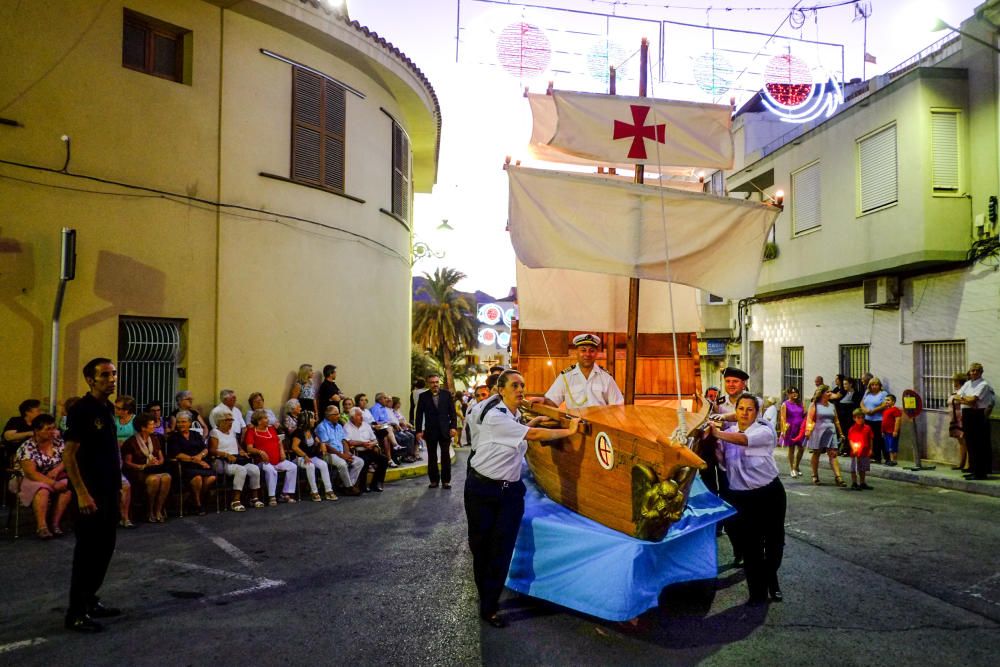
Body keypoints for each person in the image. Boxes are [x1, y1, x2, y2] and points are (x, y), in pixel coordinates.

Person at [465, 369, 580, 628]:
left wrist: (533, 422)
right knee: (481, 546)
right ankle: (485, 595)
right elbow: (533, 436)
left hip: (510, 492)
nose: (521, 390)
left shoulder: (513, 415)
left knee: (502, 549)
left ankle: (489, 605)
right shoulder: (495, 416)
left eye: (523, 386)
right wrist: (569, 430)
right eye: (515, 386)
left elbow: (523, 430)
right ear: (500, 390)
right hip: (482, 490)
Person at [62, 357, 124, 632]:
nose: (112, 379)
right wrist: (82, 493)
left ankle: (90, 599)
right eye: (105, 375)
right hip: (90, 493)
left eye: (113, 374)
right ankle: (75, 613)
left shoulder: (107, 407)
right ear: (90, 379)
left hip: (110, 490)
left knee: (105, 548)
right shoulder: (81, 410)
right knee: (87, 553)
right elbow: (69, 455)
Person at [707, 392, 785, 605]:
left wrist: (717, 432)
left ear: (757, 412)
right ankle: (757, 593)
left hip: (769, 494)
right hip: (742, 498)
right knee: (751, 546)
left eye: (749, 409)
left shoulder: (764, 430)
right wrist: (714, 438)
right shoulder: (728, 432)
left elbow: (743, 440)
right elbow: (721, 461)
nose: (744, 413)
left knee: (774, 542)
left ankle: (771, 577)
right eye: (741, 409)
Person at [12, 414, 72, 538]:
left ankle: (55, 523)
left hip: (54, 475)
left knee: (67, 487)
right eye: (48, 429)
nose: (52, 432)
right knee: (42, 490)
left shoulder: (58, 442)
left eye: (53, 428)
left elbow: (67, 459)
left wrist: (56, 470)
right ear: (36, 431)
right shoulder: (27, 447)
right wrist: (53, 483)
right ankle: (42, 526)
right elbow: (31, 473)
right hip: (27, 478)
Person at [542, 333, 624, 408]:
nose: (587, 354)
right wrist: (543, 401)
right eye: (583, 350)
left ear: (596, 353)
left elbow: (617, 405)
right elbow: (552, 401)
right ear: (576, 352)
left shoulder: (606, 377)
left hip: (599, 422)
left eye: (591, 351)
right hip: (574, 422)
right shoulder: (566, 376)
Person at [208, 407, 263, 511]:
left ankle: (254, 498)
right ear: (219, 421)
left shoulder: (232, 432)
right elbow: (212, 450)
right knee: (241, 470)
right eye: (227, 420)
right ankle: (235, 501)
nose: (230, 422)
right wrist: (225, 454)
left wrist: (241, 451)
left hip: (236, 460)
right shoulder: (215, 433)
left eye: (231, 420)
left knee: (254, 469)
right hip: (222, 461)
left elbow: (237, 446)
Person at [121, 413, 172, 523]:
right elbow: (127, 462)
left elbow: (161, 457)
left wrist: (158, 462)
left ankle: (158, 509)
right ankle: (149, 510)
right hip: (140, 471)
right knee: (154, 480)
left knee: (166, 477)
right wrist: (143, 466)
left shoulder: (154, 439)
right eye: (151, 424)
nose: (154, 426)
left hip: (154, 469)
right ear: (143, 427)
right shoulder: (131, 442)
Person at [166, 411, 217, 515]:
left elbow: (205, 449)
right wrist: (197, 460)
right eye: (179, 422)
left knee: (211, 478)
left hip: (200, 462)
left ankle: (195, 499)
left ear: (190, 423)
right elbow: (178, 454)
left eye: (184, 422)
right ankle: (198, 505)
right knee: (197, 479)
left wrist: (200, 457)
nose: (181, 424)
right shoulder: (174, 437)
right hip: (184, 465)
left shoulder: (196, 434)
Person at [245, 409, 298, 504]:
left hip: (277, 460)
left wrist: (282, 452)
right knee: (271, 470)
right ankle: (272, 496)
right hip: (263, 461)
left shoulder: (271, 429)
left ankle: (285, 493)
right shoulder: (251, 431)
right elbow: (249, 448)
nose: (268, 420)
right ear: (259, 420)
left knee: (293, 467)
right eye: (265, 418)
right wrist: (260, 452)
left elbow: (279, 441)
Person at [415, 374, 458, 489]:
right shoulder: (423, 396)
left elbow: (452, 412)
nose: (435, 384)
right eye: (432, 382)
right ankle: (433, 480)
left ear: (439, 382)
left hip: (445, 430)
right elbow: (419, 414)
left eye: (436, 382)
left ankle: (446, 481)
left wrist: (453, 427)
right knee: (432, 456)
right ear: (428, 384)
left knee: (445, 456)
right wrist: (418, 430)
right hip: (430, 431)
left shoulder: (446, 394)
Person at [955, 362, 995, 480]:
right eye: (972, 370)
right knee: (970, 443)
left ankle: (980, 472)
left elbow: (973, 399)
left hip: (977, 414)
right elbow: (956, 397)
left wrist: (966, 399)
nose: (974, 373)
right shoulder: (967, 383)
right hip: (967, 414)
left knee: (979, 444)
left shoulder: (983, 384)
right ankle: (973, 469)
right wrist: (966, 400)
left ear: (981, 372)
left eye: (976, 371)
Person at [289, 411, 338, 502]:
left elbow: (318, 440)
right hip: (299, 458)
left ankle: (328, 490)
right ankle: (314, 491)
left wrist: (322, 444)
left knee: (323, 464)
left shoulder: (311, 431)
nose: (314, 420)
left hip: (311, 457)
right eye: (312, 418)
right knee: (310, 465)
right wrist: (304, 455)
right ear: (306, 420)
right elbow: (294, 447)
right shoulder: (298, 432)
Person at [316, 405, 364, 496]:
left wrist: (346, 453)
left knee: (359, 461)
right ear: (329, 416)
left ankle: (347, 485)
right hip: (328, 453)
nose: (339, 416)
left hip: (341, 452)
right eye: (336, 414)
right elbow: (326, 445)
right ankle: (349, 487)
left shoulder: (339, 426)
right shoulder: (322, 427)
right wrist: (342, 456)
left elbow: (344, 440)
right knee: (342, 463)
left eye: (338, 414)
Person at [804, 385, 846, 487]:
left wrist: (840, 433)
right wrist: (808, 431)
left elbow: (836, 420)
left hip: (831, 432)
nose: (830, 393)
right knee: (816, 453)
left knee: (833, 454)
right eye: (827, 392)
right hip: (818, 431)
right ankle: (815, 475)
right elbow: (809, 419)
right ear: (822, 393)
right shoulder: (814, 405)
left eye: (830, 392)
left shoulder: (832, 406)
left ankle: (838, 477)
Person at [344, 407, 389, 493]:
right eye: (358, 415)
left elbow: (374, 439)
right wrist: (362, 443)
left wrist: (372, 444)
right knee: (365, 460)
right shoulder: (347, 426)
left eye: (361, 415)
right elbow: (348, 441)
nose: (361, 417)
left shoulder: (366, 425)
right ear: (352, 417)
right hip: (358, 451)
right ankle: (362, 486)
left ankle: (376, 483)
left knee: (384, 460)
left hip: (370, 449)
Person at [113, 395, 136, 529]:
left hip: (129, 455)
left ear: (126, 410)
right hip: (115, 454)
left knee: (126, 485)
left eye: (119, 408)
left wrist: (125, 444)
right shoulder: (112, 420)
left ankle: (125, 516)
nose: (116, 410)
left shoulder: (135, 421)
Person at [861, 377, 890, 464]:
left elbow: (884, 404)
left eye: (876, 385)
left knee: (879, 439)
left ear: (879, 386)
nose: (874, 386)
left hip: (878, 420)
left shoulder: (883, 393)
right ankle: (873, 456)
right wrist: (865, 410)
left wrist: (873, 411)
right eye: (872, 385)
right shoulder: (867, 393)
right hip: (868, 419)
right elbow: (862, 402)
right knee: (870, 439)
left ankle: (884, 457)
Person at [3, 398, 42, 463]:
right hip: (17, 456)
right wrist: (30, 433)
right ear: (27, 412)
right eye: (38, 411)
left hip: (37, 455)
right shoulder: (16, 421)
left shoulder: (39, 423)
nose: (40, 413)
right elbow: (8, 436)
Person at [779, 387, 806, 478]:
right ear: (788, 394)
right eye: (792, 393)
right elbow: (782, 418)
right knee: (792, 449)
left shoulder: (800, 403)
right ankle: (792, 469)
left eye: (796, 393)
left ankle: (797, 466)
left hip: (800, 428)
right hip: (791, 428)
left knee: (802, 448)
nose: (795, 394)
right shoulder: (785, 404)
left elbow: (804, 415)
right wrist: (783, 430)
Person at [846, 408, 874, 490]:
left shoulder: (867, 428)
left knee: (863, 468)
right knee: (854, 468)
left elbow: (871, 439)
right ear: (854, 418)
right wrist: (853, 448)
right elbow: (850, 439)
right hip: (855, 452)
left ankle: (862, 482)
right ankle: (854, 482)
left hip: (865, 451)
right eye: (858, 418)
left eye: (862, 418)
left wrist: (871, 449)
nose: (860, 420)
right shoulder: (852, 429)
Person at [948, 372, 969, 471]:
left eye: (955, 381)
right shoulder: (957, 391)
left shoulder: (963, 392)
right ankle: (962, 463)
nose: (954, 383)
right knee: (961, 442)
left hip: (961, 419)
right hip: (955, 419)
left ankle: (966, 464)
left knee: (965, 441)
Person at [834, 378, 860, 455]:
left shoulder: (856, 394)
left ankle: (847, 449)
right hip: (841, 417)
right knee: (841, 433)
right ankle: (840, 448)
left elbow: (856, 405)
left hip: (849, 417)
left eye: (845, 384)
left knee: (849, 433)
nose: (844, 386)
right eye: (844, 384)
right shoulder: (843, 393)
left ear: (851, 384)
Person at [881, 394, 902, 467]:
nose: (886, 401)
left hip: (892, 432)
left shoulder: (896, 410)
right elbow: (884, 421)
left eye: (888, 400)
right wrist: (883, 431)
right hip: (886, 432)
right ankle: (891, 460)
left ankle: (894, 461)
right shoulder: (885, 410)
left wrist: (895, 431)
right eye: (885, 400)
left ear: (893, 402)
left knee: (893, 447)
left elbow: (898, 420)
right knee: (888, 447)